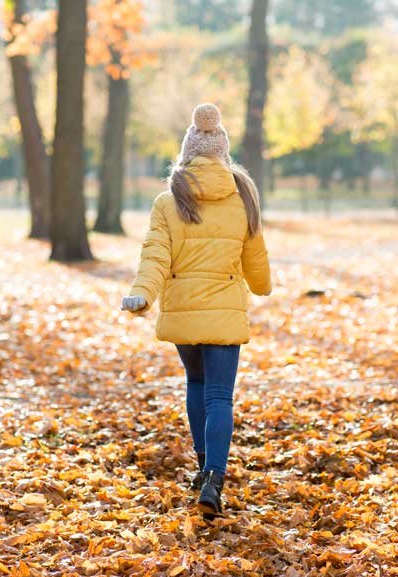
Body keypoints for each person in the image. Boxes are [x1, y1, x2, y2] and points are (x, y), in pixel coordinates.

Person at [121, 103, 272, 519]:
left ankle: (202, 464)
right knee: (221, 396)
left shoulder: (168, 201)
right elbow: (255, 259)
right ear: (223, 153)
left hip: (185, 313)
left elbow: (154, 257)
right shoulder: (243, 198)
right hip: (224, 310)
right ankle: (213, 478)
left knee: (196, 384)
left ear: (187, 152)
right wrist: (262, 286)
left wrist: (142, 295)